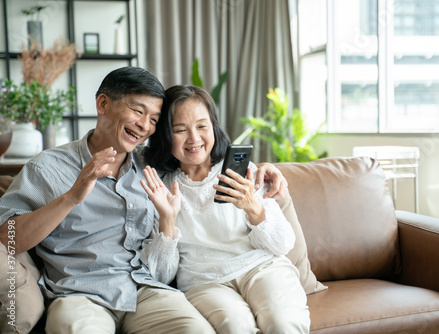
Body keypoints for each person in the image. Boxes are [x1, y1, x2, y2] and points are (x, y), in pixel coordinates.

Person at [0, 67, 288, 334]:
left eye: (153, 119)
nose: (144, 126)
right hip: (79, 294)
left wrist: (265, 169)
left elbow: (198, 159)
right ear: (102, 104)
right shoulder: (47, 167)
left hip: (144, 288)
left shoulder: (151, 165)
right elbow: (7, 238)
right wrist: (71, 197)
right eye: (138, 111)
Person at [141, 85, 310, 334]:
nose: (194, 139)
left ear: (214, 127)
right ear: (166, 135)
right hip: (204, 281)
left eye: (201, 126)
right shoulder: (161, 188)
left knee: (283, 324)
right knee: (235, 326)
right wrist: (167, 219)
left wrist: (253, 207)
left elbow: (283, 245)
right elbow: (160, 276)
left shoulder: (241, 171)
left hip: (261, 267)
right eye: (180, 130)